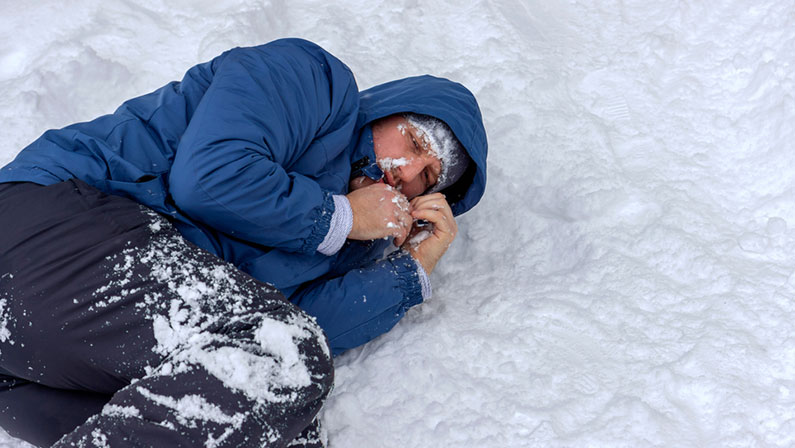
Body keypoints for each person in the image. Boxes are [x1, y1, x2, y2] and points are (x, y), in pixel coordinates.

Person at [0, 38, 487, 447]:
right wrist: (336, 218)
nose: (406, 175)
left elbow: (301, 333)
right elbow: (208, 176)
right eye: (415, 144)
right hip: (47, 228)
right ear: (389, 111)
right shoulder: (315, 82)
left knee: (282, 419)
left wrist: (412, 266)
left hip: (36, 368)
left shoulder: (340, 245)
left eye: (427, 180)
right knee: (284, 350)